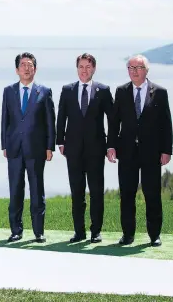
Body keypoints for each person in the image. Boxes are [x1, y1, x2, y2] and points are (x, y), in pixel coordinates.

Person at [107, 54, 172, 247]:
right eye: (131, 68)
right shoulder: (121, 91)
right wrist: (111, 146)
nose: (134, 71)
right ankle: (128, 234)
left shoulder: (160, 92)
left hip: (151, 152)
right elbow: (114, 122)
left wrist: (166, 150)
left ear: (146, 70)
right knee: (126, 194)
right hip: (126, 152)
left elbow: (166, 124)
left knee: (152, 193)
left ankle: (154, 235)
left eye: (139, 67)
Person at [56, 53, 113, 244]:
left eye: (88, 67)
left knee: (97, 192)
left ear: (94, 68)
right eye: (81, 66)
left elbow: (112, 120)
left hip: (96, 150)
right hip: (73, 150)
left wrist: (111, 145)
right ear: (77, 68)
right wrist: (60, 142)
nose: (84, 70)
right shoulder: (67, 90)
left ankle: (95, 231)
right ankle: (79, 232)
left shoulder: (103, 91)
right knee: (77, 192)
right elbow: (61, 117)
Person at [1, 52, 55, 243]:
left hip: (37, 149)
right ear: (17, 70)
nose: (26, 68)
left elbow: (50, 122)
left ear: (35, 69)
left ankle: (38, 231)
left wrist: (50, 147)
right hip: (14, 148)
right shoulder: (8, 91)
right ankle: (16, 230)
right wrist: (4, 145)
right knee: (15, 190)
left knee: (36, 191)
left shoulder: (45, 91)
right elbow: (5, 120)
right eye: (23, 65)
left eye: (30, 65)